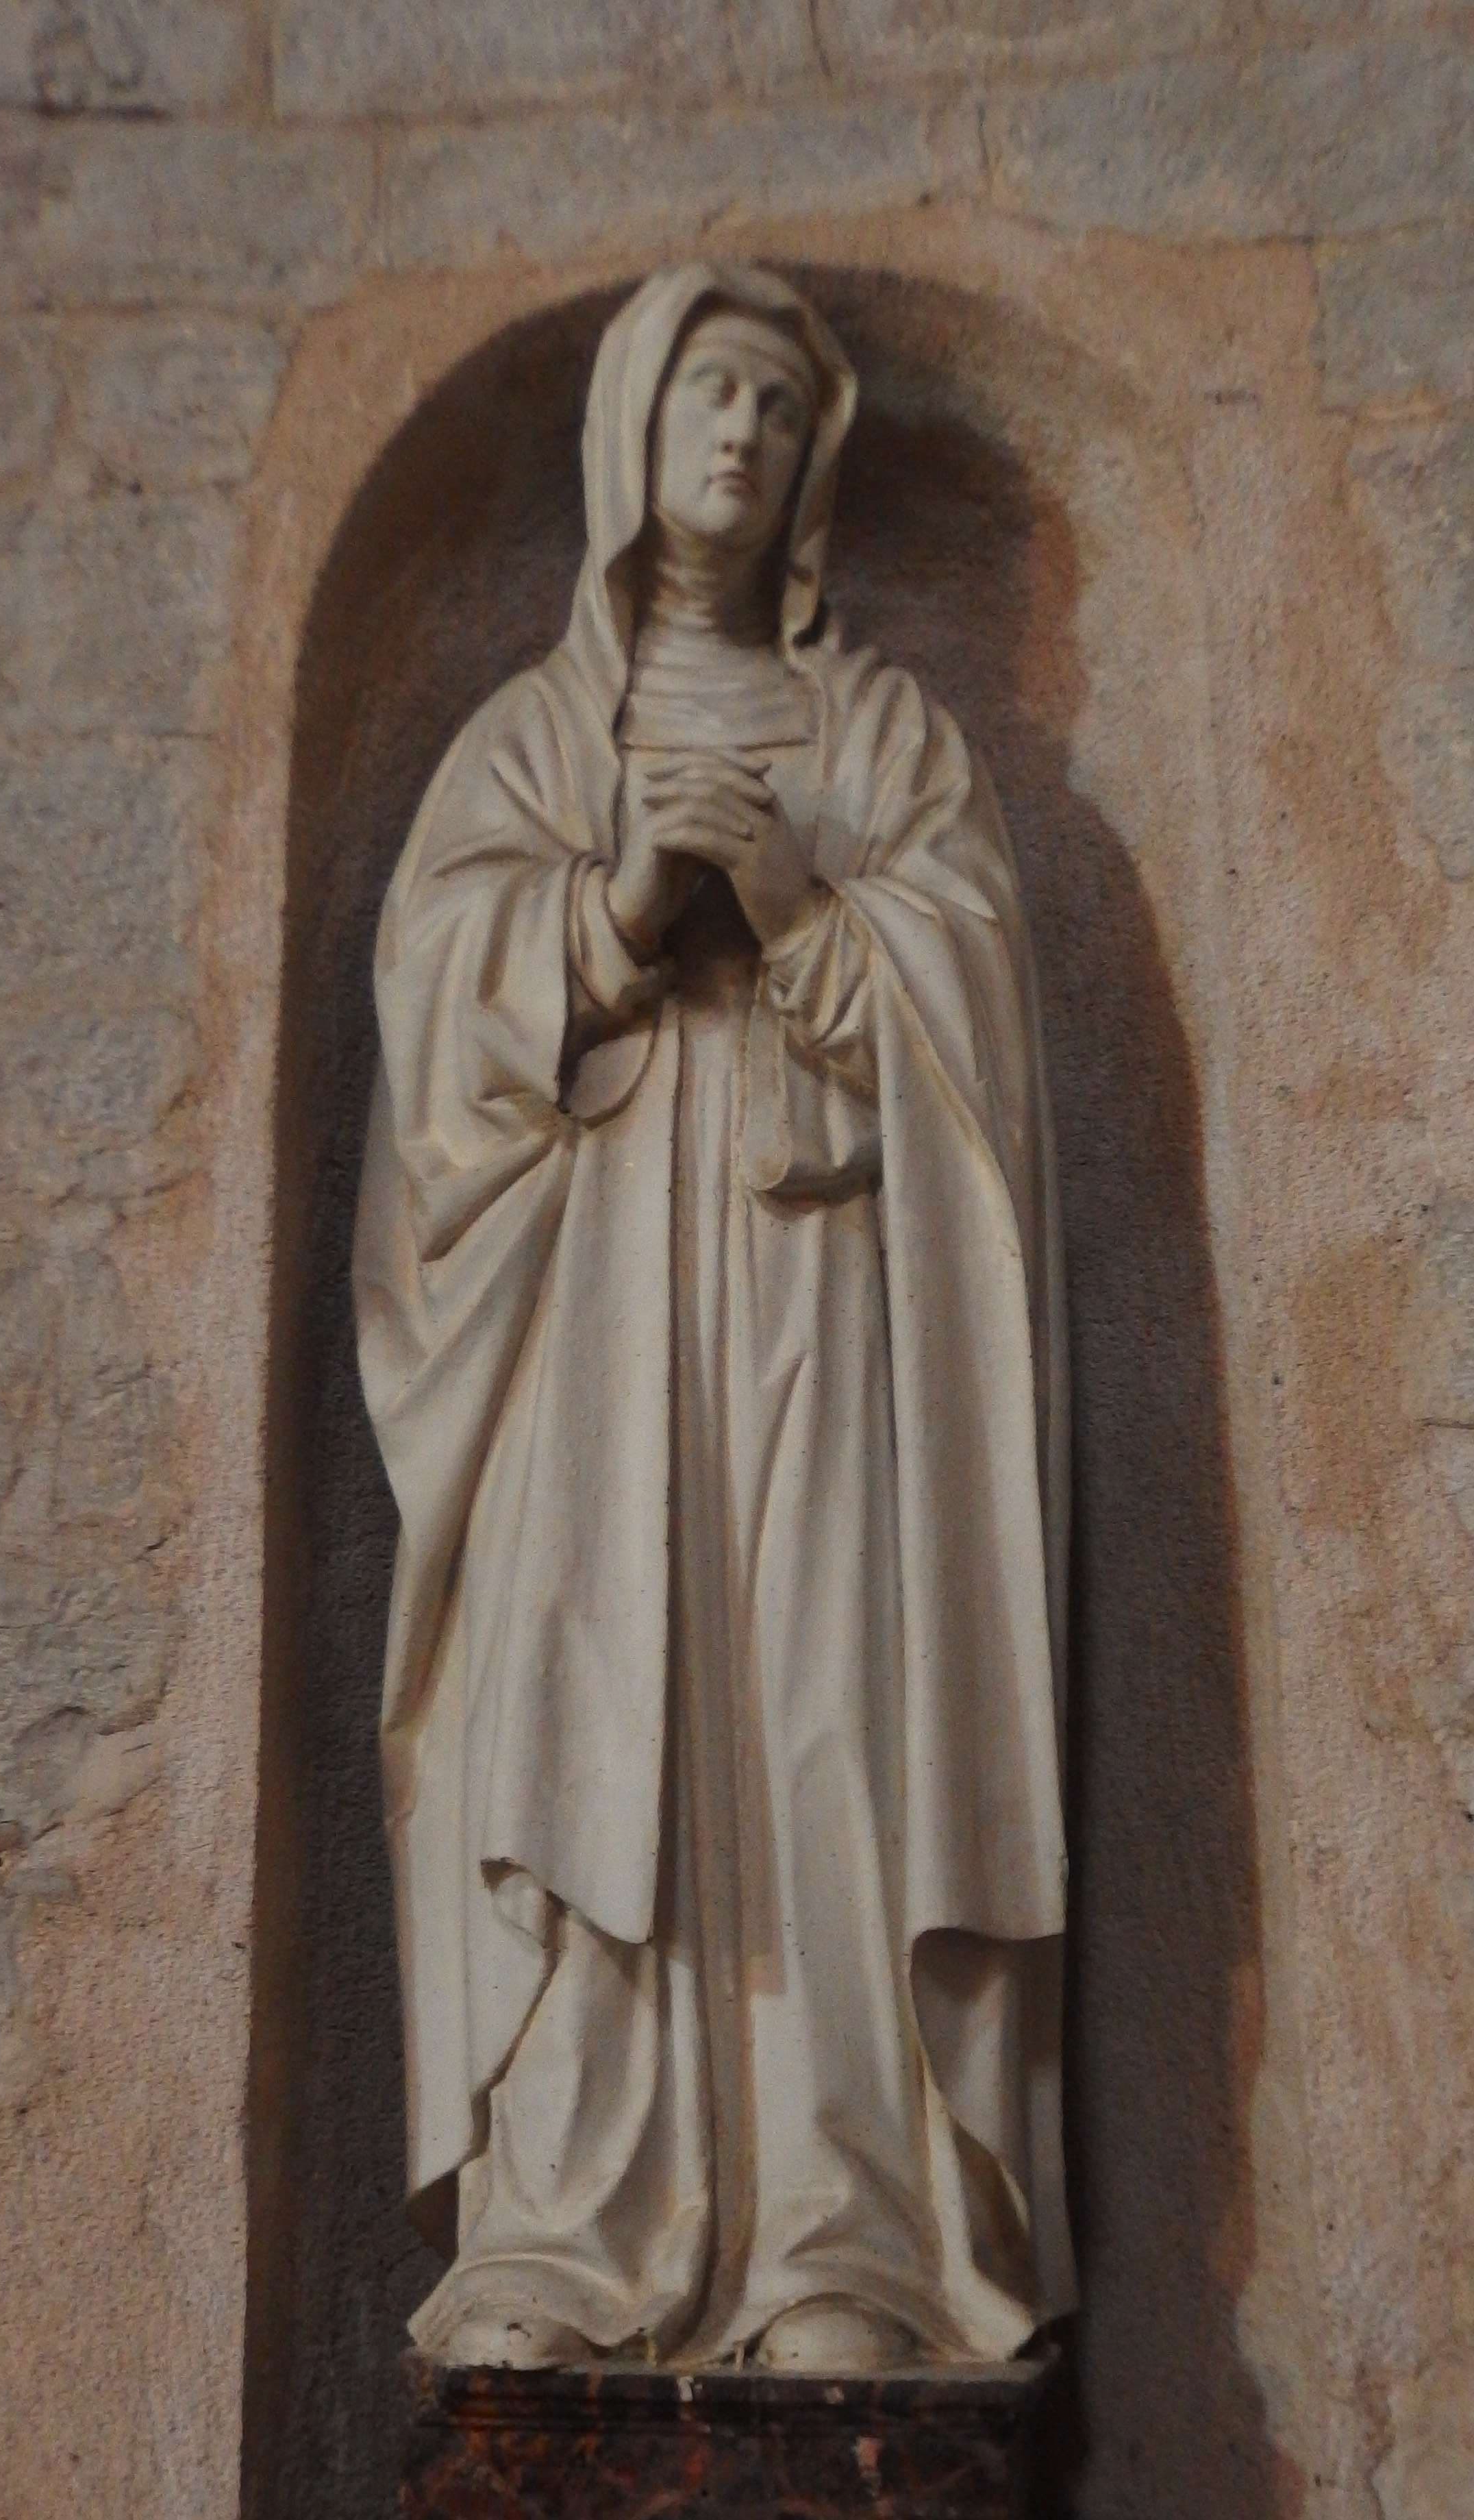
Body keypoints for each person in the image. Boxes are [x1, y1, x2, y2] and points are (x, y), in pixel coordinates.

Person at [355, 262, 1072, 2375]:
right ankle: (572, 2224)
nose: (742, 434)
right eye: (709, 396)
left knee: (824, 1714)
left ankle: (848, 2238)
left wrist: (796, 908)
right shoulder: (531, 740)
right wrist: (611, 911)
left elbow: (983, 1033)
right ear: (633, 438)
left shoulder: (886, 736)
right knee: (582, 1695)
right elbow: (433, 1024)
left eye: (775, 404)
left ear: (811, 462)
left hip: (826, 1302)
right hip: (588, 1313)